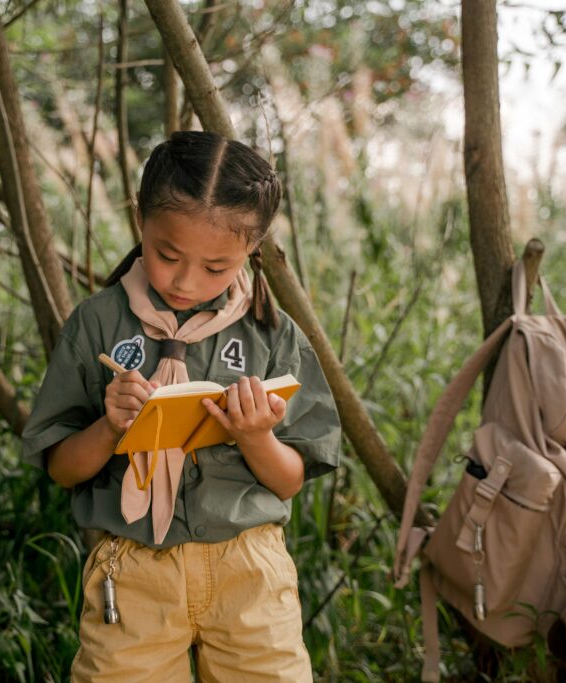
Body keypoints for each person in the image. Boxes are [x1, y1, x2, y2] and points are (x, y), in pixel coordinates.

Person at [22, 130, 341, 682]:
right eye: (168, 254)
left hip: (249, 569)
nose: (186, 281)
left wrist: (256, 436)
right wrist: (110, 425)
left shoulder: (273, 334)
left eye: (216, 268)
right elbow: (62, 466)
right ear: (139, 218)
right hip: (134, 569)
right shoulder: (98, 322)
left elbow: (289, 481)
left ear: (253, 248)